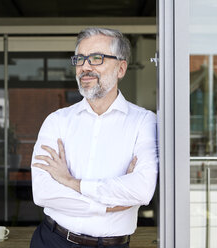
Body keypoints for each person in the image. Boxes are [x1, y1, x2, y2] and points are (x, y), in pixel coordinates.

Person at [30, 27, 158, 248]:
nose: (85, 67)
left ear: (121, 68)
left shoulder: (144, 122)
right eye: (79, 59)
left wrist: (71, 182)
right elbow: (43, 193)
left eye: (96, 58)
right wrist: (108, 206)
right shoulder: (57, 121)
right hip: (53, 240)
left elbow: (141, 189)